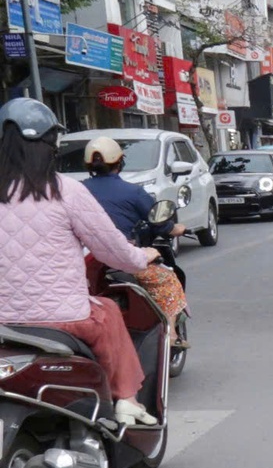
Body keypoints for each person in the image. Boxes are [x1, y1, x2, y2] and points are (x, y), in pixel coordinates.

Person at [0, 101, 159, 426]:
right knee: (108, 312)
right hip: (63, 318)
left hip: (4, 322)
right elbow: (114, 252)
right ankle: (126, 399)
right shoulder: (66, 191)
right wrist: (143, 256)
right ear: (51, 146)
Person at [77, 138, 188, 333]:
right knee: (167, 282)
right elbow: (160, 223)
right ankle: (169, 336)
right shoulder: (134, 192)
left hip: (82, 265)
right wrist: (175, 228)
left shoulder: (75, 191)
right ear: (120, 162)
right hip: (122, 258)